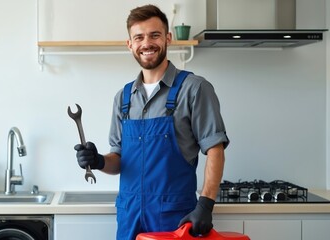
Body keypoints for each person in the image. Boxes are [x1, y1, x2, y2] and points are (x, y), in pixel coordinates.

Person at [74, 4, 229, 240]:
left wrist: (206, 204)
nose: (147, 43)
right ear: (130, 44)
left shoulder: (195, 89)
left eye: (154, 35)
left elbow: (215, 149)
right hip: (130, 216)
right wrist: (97, 161)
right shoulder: (123, 98)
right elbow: (119, 161)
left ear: (167, 38)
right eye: (139, 37)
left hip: (175, 218)